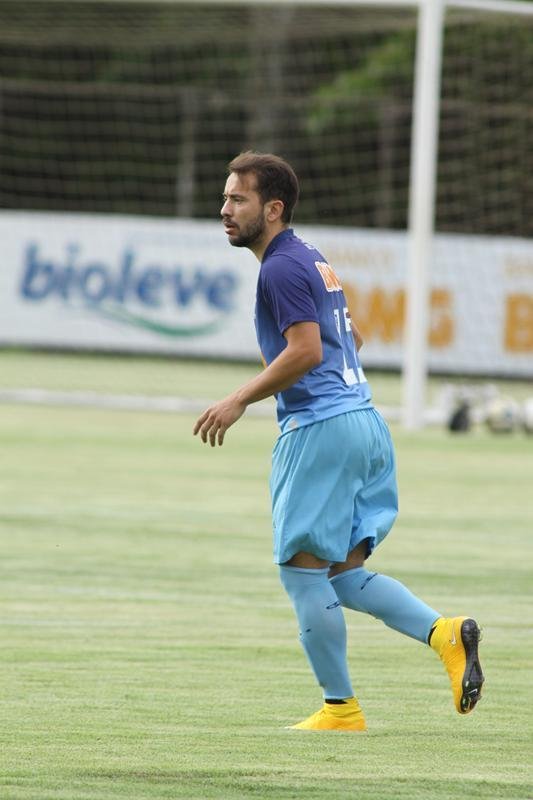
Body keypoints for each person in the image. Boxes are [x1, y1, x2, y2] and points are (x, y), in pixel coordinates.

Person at [193, 151, 484, 731]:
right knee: (340, 576)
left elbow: (308, 350)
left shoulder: (279, 267)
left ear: (272, 209)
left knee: (302, 573)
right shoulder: (311, 258)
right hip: (365, 423)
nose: (224, 209)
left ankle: (340, 708)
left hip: (323, 429)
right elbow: (352, 335)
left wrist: (238, 400)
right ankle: (444, 633)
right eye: (225, 197)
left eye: (238, 199)